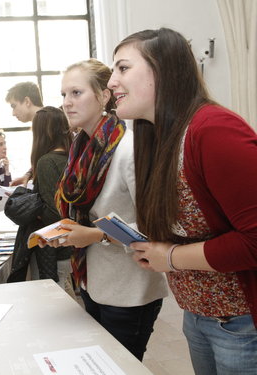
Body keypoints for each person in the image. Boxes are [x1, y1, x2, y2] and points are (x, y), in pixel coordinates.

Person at [108, 27, 257, 374]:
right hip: (199, 315)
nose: (112, 82)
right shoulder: (156, 137)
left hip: (241, 323)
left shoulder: (214, 129)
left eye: (123, 68)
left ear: (162, 69)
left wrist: (172, 257)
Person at [46, 58, 167, 361]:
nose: (66, 103)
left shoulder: (129, 148)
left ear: (104, 96)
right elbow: (80, 211)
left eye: (76, 93)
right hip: (92, 282)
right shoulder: (80, 148)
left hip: (130, 289)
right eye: (63, 95)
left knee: (120, 367)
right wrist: (68, 232)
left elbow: (154, 229)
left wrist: (93, 235)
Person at [7, 106, 74, 295]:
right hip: (71, 242)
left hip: (53, 247)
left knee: (55, 299)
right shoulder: (73, 156)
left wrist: (33, 211)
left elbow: (54, 212)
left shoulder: (47, 161)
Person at [5, 81, 44, 187]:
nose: (13, 113)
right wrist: (27, 175)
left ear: (27, 101)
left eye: (14, 106)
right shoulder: (39, 123)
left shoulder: (47, 121)